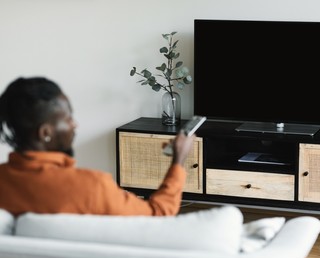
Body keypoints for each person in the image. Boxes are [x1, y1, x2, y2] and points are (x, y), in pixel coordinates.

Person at [0, 77, 196, 216]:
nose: (74, 124)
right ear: (45, 133)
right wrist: (178, 161)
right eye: (68, 118)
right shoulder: (92, 186)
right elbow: (158, 214)